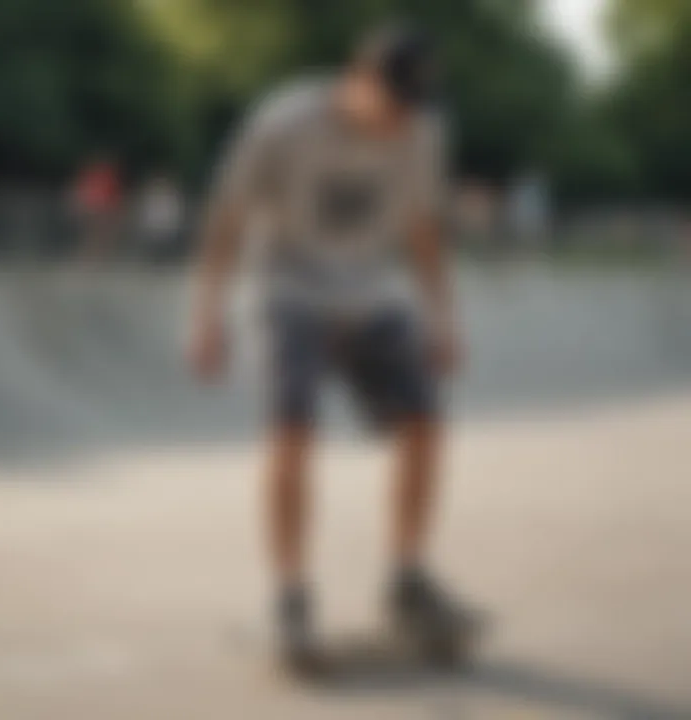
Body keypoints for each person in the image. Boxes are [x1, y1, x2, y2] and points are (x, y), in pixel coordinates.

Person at [187, 23, 465, 673]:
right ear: (358, 81)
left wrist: (443, 318)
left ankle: (406, 578)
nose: (402, 124)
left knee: (426, 422)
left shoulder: (422, 133)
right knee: (292, 431)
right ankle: (290, 593)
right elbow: (227, 215)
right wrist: (206, 316)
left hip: (370, 293)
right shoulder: (282, 125)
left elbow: (423, 227)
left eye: (412, 109)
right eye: (392, 106)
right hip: (288, 291)